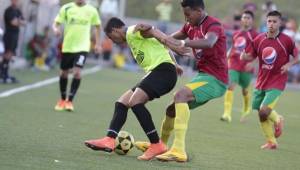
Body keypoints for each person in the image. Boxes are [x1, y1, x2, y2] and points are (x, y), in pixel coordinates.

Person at [135, 0, 228, 162]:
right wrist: (151, 33)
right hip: (203, 76)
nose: (186, 18)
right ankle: (160, 145)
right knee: (172, 109)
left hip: (216, 79)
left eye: (188, 14)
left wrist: (183, 42)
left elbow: (209, 42)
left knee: (180, 96)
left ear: (199, 11)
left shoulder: (214, 25)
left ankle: (178, 150)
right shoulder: (189, 26)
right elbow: (169, 39)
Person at [84, 17, 185, 161]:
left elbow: (150, 28)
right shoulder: (132, 38)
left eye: (111, 37)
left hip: (163, 72)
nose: (112, 41)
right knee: (122, 103)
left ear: (115, 30)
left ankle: (156, 144)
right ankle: (110, 139)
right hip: (159, 72)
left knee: (135, 102)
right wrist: (176, 64)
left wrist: (171, 42)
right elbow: (161, 46)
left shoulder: (131, 31)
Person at [241, 11, 298, 149]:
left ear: (280, 23)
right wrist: (245, 57)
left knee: (264, 111)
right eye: (269, 21)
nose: (271, 24)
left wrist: (289, 64)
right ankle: (272, 142)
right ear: (266, 23)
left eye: (274, 21)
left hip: (277, 81)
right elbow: (251, 56)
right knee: (260, 112)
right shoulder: (259, 39)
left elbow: (297, 56)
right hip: (261, 81)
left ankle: (277, 120)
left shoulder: (286, 40)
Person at [53, 0, 101, 111]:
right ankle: (62, 100)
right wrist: (56, 29)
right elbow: (56, 23)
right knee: (63, 73)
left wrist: (98, 44)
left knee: (77, 72)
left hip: (83, 47)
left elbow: (98, 27)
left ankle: (69, 101)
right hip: (67, 47)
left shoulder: (92, 10)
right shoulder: (66, 8)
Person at [220, 10, 259, 123]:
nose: (246, 19)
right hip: (233, 63)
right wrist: (226, 57)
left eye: (248, 18)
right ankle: (227, 114)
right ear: (241, 20)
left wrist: (253, 63)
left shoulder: (256, 35)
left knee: (245, 90)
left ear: (252, 20)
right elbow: (233, 47)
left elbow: (259, 51)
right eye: (244, 18)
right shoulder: (236, 33)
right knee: (231, 86)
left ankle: (246, 107)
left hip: (246, 65)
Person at [0, 0, 25, 83]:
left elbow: (24, 22)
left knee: (10, 55)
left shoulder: (18, 11)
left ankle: (5, 73)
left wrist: (18, 21)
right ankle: (2, 73)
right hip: (9, 35)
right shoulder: (9, 10)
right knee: (7, 54)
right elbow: (13, 22)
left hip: (15, 35)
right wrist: (19, 21)